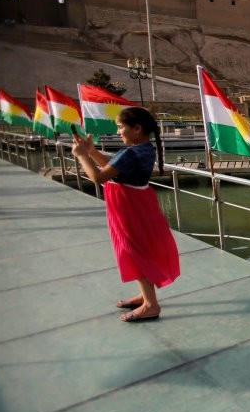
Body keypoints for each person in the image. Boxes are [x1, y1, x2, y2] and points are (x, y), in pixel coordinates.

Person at [71, 107, 180, 322]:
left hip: (129, 207)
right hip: (136, 204)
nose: (118, 132)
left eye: (121, 127)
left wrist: (82, 156)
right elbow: (113, 169)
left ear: (137, 129)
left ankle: (151, 305)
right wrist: (92, 151)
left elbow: (98, 177)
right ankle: (145, 295)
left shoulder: (131, 152)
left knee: (132, 252)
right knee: (138, 250)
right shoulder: (143, 148)